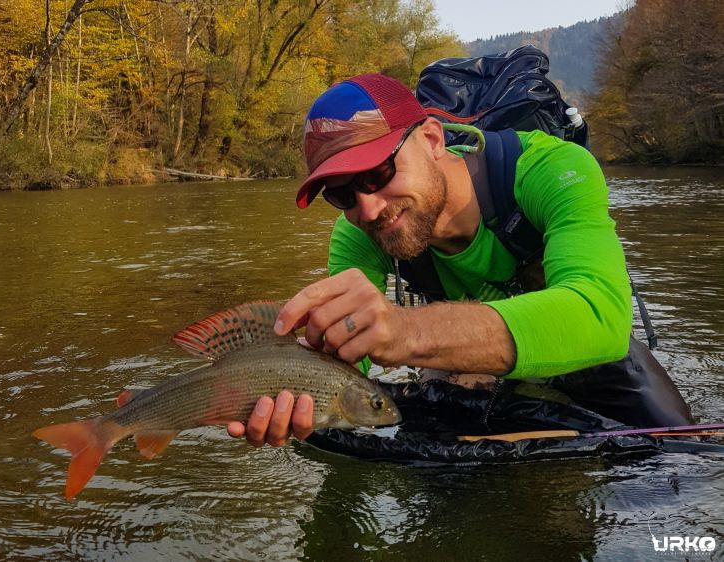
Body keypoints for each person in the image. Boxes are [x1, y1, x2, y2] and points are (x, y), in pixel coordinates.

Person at [226, 73, 693, 448]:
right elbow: (350, 366)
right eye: (342, 193)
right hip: (456, 357)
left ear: (431, 140)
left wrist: (406, 332)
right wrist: (295, 390)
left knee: (677, 446)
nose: (367, 208)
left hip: (575, 338)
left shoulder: (552, 170)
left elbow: (600, 318)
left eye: (379, 172)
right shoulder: (357, 232)